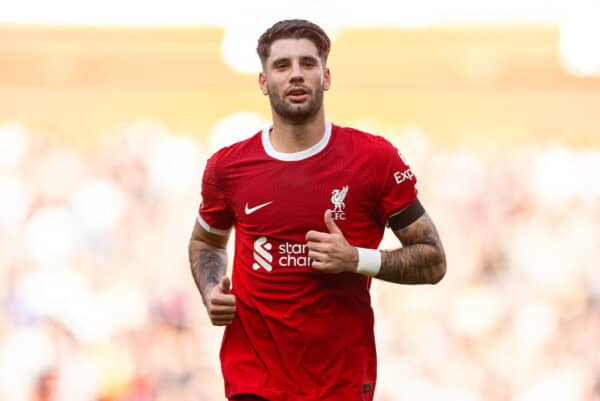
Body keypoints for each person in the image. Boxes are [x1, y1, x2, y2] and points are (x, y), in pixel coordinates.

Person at [188, 19, 446, 401]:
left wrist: (357, 258)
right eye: (282, 65)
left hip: (338, 382)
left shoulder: (373, 159)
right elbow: (205, 243)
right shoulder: (227, 167)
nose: (296, 75)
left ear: (325, 76)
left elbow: (433, 260)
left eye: (307, 64)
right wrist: (211, 290)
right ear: (263, 82)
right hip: (253, 381)